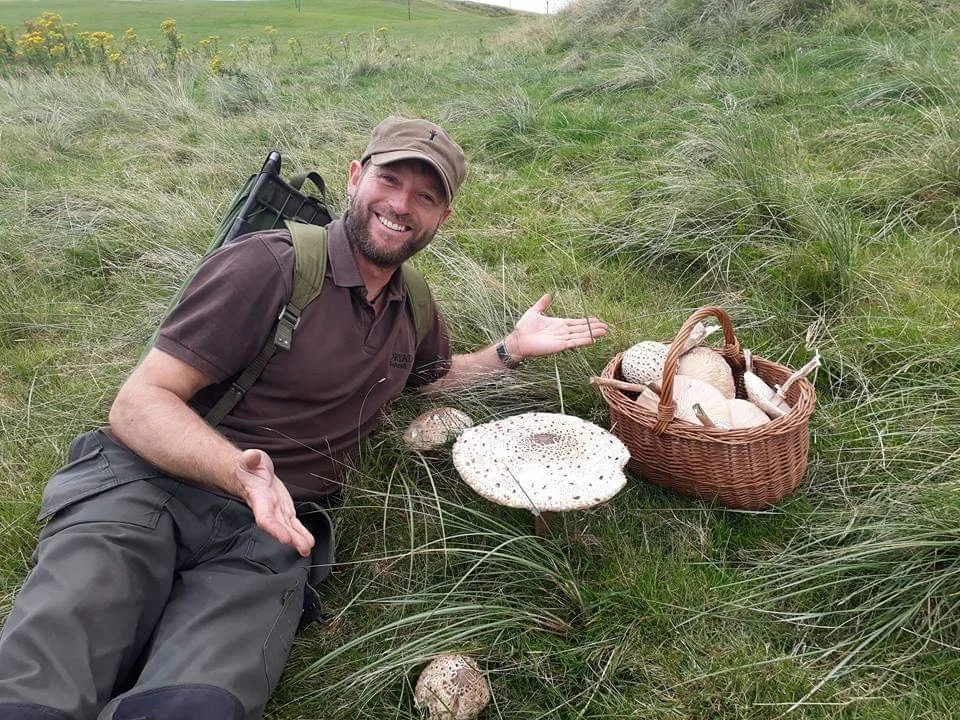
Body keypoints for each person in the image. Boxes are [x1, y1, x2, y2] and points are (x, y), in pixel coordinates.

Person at [0, 117, 607, 719]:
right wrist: (240, 473)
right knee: (37, 684)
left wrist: (512, 349)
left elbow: (430, 379)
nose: (401, 205)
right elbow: (139, 403)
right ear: (354, 177)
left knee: (196, 705)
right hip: (147, 488)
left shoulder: (413, 304)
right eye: (389, 180)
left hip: (270, 535)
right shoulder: (267, 266)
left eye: (426, 196)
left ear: (442, 217)